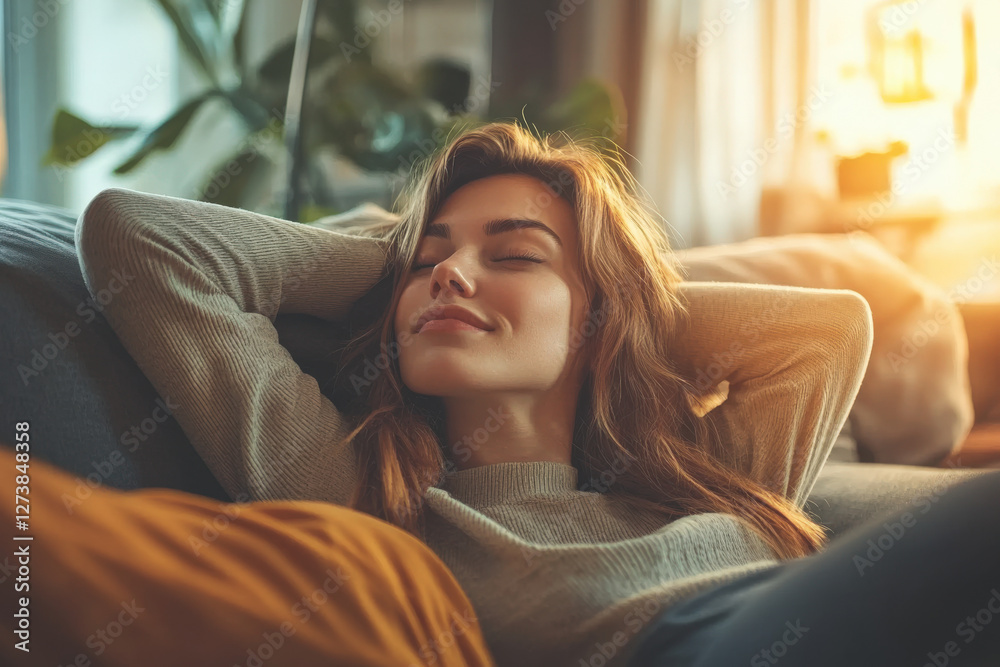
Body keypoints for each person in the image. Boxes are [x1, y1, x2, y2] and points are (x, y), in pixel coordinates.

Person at [4, 120, 998, 666]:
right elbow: (137, 237)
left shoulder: (697, 475)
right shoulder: (360, 490)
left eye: (511, 253)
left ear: (601, 315)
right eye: (428, 261)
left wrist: (616, 299)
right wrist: (398, 257)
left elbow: (827, 331)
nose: (452, 275)